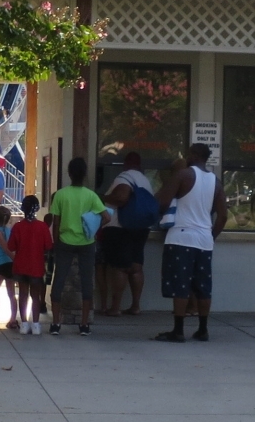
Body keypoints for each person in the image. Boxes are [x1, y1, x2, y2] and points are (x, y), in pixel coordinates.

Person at [152, 142, 227, 343]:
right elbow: (222, 216)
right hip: (204, 240)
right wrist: (211, 236)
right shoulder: (216, 182)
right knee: (203, 286)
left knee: (181, 284)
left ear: (193, 155)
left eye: (188, 154)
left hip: (181, 237)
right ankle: (203, 329)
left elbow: (163, 202)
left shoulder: (183, 175)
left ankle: (178, 330)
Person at [46, 156, 107, 335]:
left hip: (65, 241)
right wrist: (93, 230)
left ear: (69, 173)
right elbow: (106, 217)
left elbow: (56, 223)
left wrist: (55, 243)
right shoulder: (91, 195)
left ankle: (56, 323)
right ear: (85, 174)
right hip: (86, 242)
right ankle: (84, 324)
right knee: (87, 282)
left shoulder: (60, 195)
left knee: (59, 280)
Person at [98, 150, 157, 316]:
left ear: (126, 164)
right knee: (136, 267)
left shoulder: (125, 177)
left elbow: (121, 198)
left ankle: (115, 307)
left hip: (120, 228)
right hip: (141, 228)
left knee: (120, 267)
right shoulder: (145, 181)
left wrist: (103, 197)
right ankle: (135, 306)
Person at [5, 194, 53, 335]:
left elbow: (11, 246)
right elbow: (48, 246)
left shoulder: (18, 227)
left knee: (23, 294)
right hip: (36, 266)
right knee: (35, 296)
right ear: (37, 208)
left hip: (20, 266)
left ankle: (24, 324)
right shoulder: (42, 227)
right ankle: (36, 324)